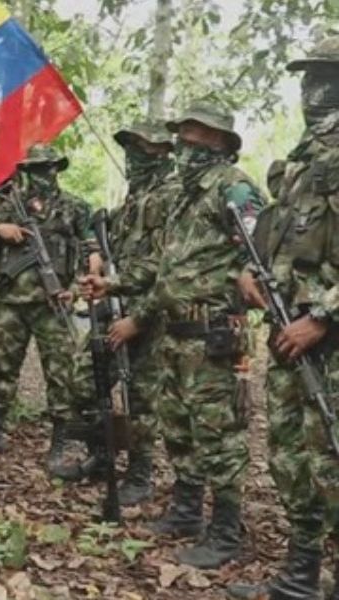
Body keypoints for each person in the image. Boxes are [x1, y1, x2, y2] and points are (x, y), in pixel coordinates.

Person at [83, 102, 264, 569]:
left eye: (197, 132)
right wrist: (113, 284)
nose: (186, 140)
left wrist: (249, 271)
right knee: (180, 429)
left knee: (216, 435)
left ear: (221, 141)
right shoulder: (185, 196)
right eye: (183, 131)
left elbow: (262, 242)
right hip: (176, 331)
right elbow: (163, 269)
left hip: (213, 332)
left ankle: (225, 530)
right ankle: (186, 512)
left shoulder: (233, 186)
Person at [228, 36, 339, 600]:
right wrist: (252, 277)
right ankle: (299, 579)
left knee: (333, 464)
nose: (311, 90)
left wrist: (322, 317)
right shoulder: (301, 163)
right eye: (306, 77)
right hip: (288, 333)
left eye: (324, 76)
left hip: (328, 340)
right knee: (291, 459)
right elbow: (283, 243)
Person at [0, 145, 94, 482]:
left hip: (54, 304)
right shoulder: (6, 206)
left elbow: (90, 254)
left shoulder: (75, 208)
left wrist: (76, 291)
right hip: (10, 302)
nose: (41, 176)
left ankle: (60, 439)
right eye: (35, 169)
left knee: (61, 372)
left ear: (57, 169)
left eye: (47, 168)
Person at [94, 122, 179, 504]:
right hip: (120, 306)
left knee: (142, 395)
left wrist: (125, 298)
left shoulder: (172, 195)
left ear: (162, 152)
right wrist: (95, 260)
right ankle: (103, 456)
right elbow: (102, 238)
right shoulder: (132, 200)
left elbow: (163, 265)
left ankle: (141, 474)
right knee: (89, 378)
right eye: (128, 148)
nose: (132, 156)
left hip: (154, 312)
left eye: (140, 148)